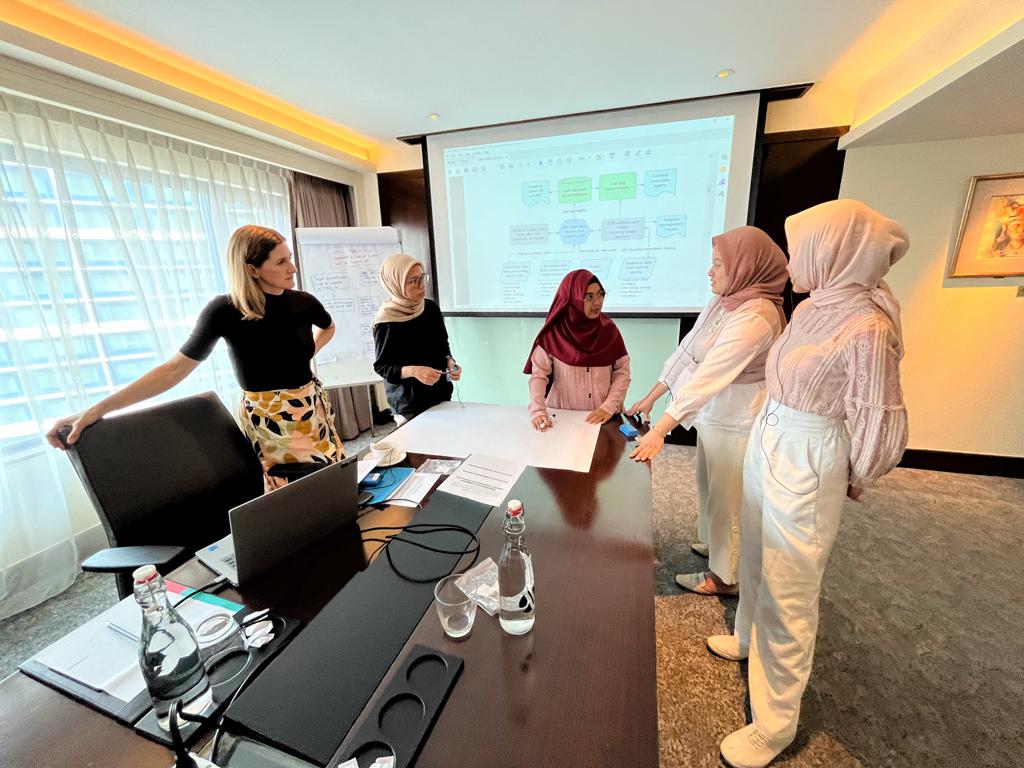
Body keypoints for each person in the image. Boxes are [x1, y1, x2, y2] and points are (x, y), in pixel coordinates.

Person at [707, 200, 909, 768]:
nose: (791, 261)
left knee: (789, 589)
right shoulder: (812, 306)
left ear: (833, 252)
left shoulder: (868, 324)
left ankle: (774, 725)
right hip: (768, 437)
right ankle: (747, 637)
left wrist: (856, 470)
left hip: (809, 451)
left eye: (801, 249)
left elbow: (879, 415)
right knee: (754, 558)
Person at [46, 225, 344, 490]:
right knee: (295, 491)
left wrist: (304, 355)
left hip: (312, 405)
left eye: (289, 258)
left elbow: (328, 328)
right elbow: (173, 370)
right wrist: (97, 410)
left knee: (333, 476)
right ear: (252, 269)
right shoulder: (224, 311)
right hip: (269, 418)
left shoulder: (303, 302)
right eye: (281, 262)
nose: (292, 268)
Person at [627, 226, 788, 597]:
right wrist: (654, 395)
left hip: (739, 422)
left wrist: (660, 429)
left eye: (718, 264)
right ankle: (718, 549)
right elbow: (688, 351)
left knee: (728, 499)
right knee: (708, 487)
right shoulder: (726, 300)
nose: (709, 271)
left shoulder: (757, 315)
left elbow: (709, 376)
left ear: (746, 267)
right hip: (714, 418)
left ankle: (725, 577)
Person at [525, 269, 629, 431]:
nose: (597, 302)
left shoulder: (609, 330)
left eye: (600, 294)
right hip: (563, 418)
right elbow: (539, 375)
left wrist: (608, 406)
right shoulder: (554, 333)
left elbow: (622, 372)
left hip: (604, 418)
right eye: (589, 297)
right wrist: (538, 410)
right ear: (573, 298)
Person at [372, 253, 460, 423]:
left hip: (440, 394)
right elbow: (383, 367)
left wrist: (450, 362)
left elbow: (442, 346)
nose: (421, 286)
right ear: (395, 284)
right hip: (409, 403)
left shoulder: (430, 309)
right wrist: (414, 371)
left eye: (422, 278)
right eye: (413, 281)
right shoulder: (386, 320)